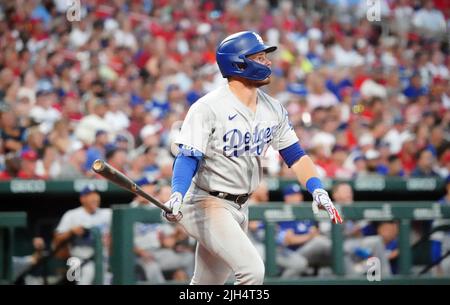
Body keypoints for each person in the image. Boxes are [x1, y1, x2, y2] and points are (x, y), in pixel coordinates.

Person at [162, 31, 343, 285]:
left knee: (206, 284)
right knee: (252, 272)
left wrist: (317, 188)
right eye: (259, 57)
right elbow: (189, 156)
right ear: (238, 63)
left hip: (240, 206)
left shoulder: (273, 108)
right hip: (208, 203)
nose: (268, 62)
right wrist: (177, 193)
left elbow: (295, 156)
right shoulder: (208, 107)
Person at [53, 185, 112, 285]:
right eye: (90, 195)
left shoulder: (108, 213)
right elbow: (57, 238)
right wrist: (71, 232)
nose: (95, 197)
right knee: (88, 273)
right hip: (78, 260)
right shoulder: (72, 215)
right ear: (82, 199)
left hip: (103, 259)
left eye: (96, 194)